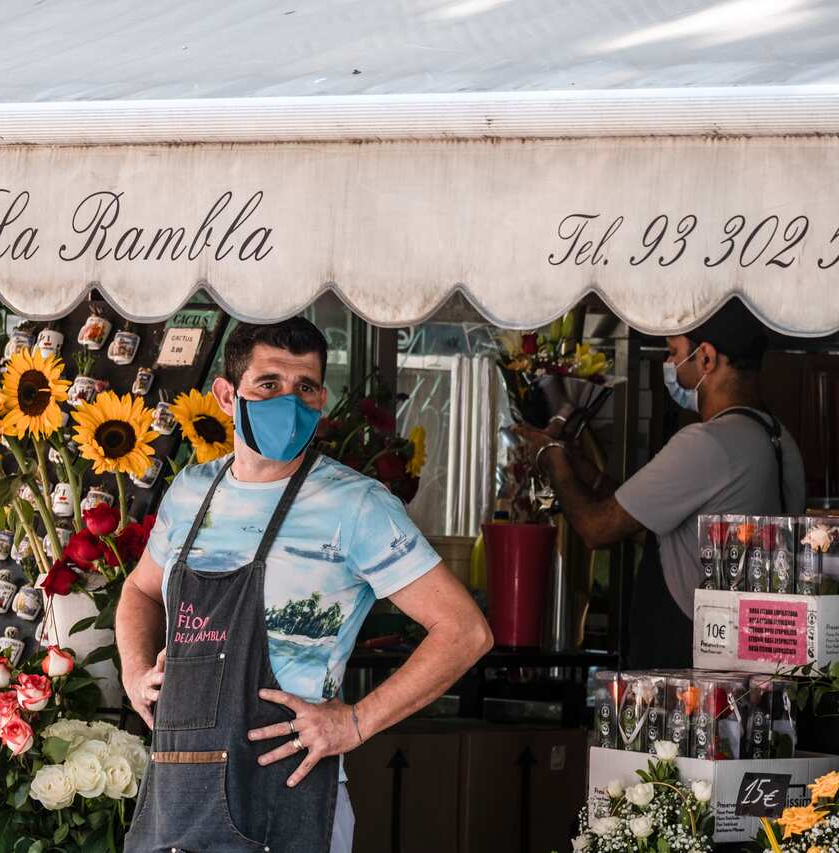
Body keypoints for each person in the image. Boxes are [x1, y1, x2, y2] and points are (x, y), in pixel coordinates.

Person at [115, 317, 492, 853]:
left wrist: (356, 723)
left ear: (321, 398)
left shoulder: (354, 504)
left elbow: (464, 631)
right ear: (227, 395)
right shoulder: (192, 490)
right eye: (269, 384)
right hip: (178, 793)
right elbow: (140, 591)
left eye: (306, 387)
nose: (288, 401)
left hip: (285, 795)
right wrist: (133, 670)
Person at [517, 299, 805, 668]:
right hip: (748, 655)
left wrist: (551, 455)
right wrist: (580, 465)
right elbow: (647, 524)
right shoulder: (778, 439)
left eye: (673, 353)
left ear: (706, 358)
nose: (668, 366)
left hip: (688, 659)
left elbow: (596, 528)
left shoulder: (707, 442)